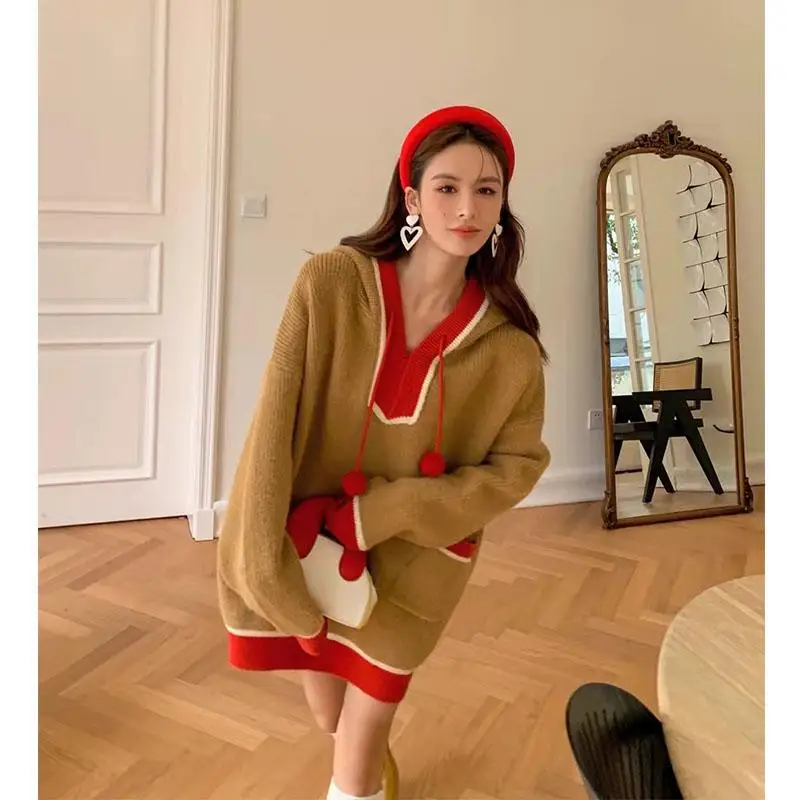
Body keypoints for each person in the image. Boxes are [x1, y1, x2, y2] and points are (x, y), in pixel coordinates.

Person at [216, 105, 551, 800]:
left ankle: (361, 778)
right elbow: (272, 425)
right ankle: (369, 767)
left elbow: (517, 468)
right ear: (412, 197)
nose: (467, 208)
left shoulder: (512, 349)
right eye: (447, 188)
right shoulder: (332, 285)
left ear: (502, 205)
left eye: (486, 190)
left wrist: (390, 511)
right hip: (307, 544)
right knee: (330, 716)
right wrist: (258, 551)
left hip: (418, 558)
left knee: (361, 734)